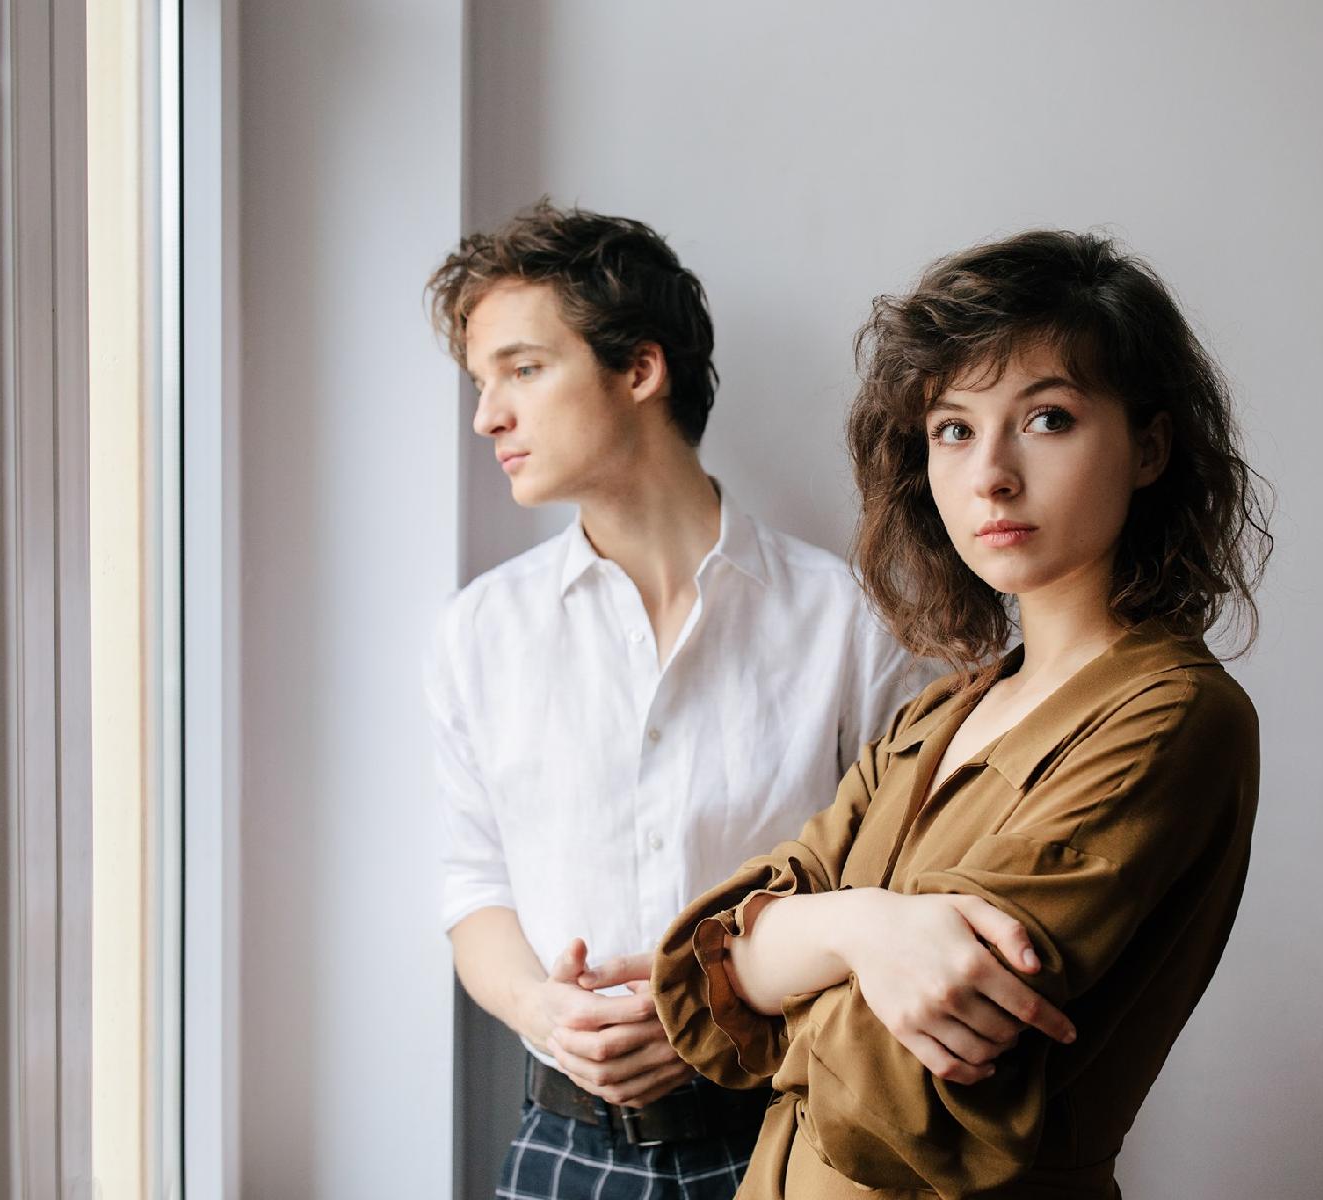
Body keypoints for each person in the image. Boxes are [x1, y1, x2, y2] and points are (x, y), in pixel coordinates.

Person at [421, 203, 1073, 1200]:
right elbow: (474, 888)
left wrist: (717, 1015)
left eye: (521, 368)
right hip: (563, 1150)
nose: (487, 416)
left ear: (640, 370)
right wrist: (544, 1015)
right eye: (480, 382)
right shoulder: (479, 633)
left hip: (788, 1139)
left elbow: (909, 894)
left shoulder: (851, 623)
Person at [652, 229, 1273, 1199]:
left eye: (1048, 419)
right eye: (952, 429)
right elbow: (700, 987)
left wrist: (784, 960)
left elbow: (896, 1086)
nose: (990, 473)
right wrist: (862, 930)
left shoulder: (1173, 718)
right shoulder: (936, 713)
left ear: (1149, 447)